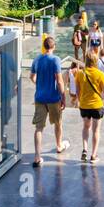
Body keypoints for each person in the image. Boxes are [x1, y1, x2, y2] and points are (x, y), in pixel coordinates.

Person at [29, 36, 69, 167]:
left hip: (40, 98)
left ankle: (37, 156)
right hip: (53, 98)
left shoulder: (37, 59)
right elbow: (59, 80)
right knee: (58, 123)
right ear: (54, 47)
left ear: (44, 46)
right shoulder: (55, 60)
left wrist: (39, 85)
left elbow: (32, 77)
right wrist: (63, 96)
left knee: (39, 128)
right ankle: (59, 145)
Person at [76, 51, 104, 164]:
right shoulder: (100, 74)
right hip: (97, 106)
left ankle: (85, 149)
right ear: (96, 61)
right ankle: (93, 155)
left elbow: (78, 91)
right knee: (96, 131)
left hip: (84, 105)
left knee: (86, 127)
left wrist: (79, 100)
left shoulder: (80, 73)